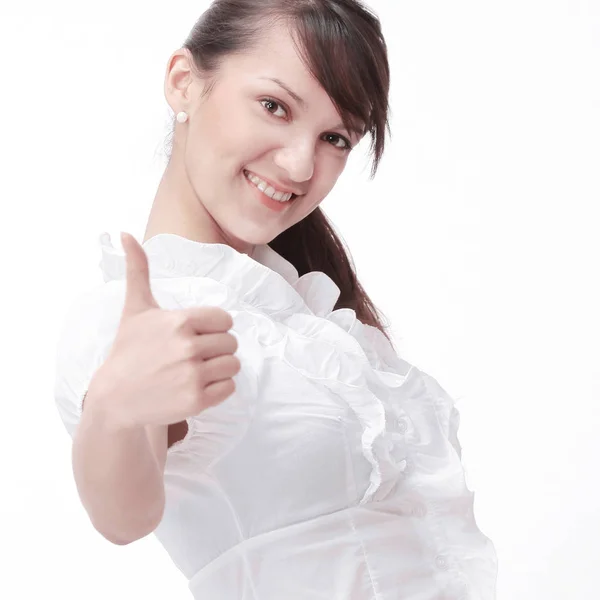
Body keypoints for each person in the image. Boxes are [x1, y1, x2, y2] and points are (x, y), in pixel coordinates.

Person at [54, 0, 498, 598]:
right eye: (274, 106)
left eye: (335, 137)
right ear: (185, 82)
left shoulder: (305, 311)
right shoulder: (140, 320)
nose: (298, 164)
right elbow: (121, 515)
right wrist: (113, 407)